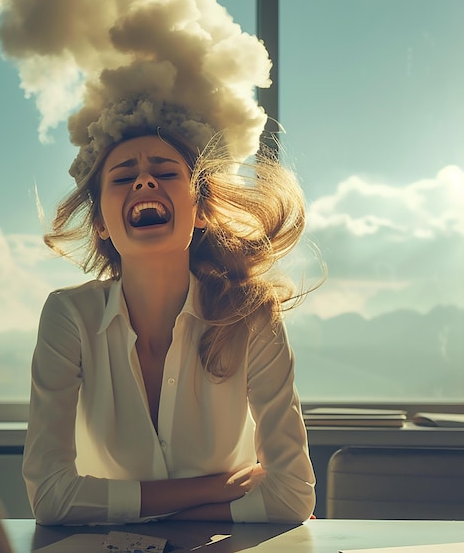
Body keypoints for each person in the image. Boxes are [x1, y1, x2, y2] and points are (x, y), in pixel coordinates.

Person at [22, 123, 316, 525]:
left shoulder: (251, 314)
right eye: (124, 177)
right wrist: (214, 490)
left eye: (165, 172)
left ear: (202, 211)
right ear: (101, 225)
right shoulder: (68, 316)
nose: (144, 181)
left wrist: (141, 513)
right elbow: (51, 498)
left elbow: (293, 496)